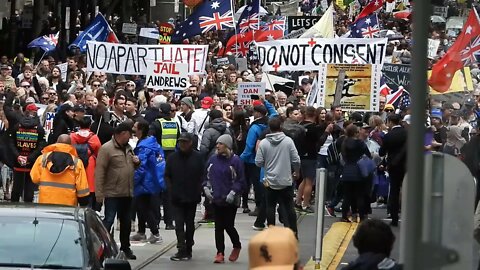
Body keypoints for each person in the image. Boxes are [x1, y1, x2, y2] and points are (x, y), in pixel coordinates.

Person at [95, 120, 139, 260]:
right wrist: (99, 194)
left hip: (127, 192)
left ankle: (125, 248)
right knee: (108, 221)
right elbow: (100, 171)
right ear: (122, 134)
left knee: (126, 222)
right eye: (129, 134)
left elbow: (130, 167)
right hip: (112, 192)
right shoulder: (106, 149)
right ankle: (102, 249)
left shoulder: (129, 148)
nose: (131, 137)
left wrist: (137, 163)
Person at [255, 117, 300, 236]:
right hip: (286, 179)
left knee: (270, 206)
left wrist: (267, 163)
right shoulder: (288, 141)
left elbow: (258, 162)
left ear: (269, 127)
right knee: (289, 206)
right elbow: (296, 159)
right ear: (281, 126)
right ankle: (293, 231)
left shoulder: (264, 143)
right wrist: (296, 171)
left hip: (270, 180)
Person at [204, 134, 245, 263]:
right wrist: (206, 187)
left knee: (228, 225)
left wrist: (233, 192)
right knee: (218, 226)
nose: (218, 146)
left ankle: (236, 245)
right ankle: (219, 252)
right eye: (217, 143)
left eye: (220, 144)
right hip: (216, 197)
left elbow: (241, 180)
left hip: (230, 199)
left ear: (227, 145)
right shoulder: (212, 160)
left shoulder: (235, 161)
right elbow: (206, 176)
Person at [165, 133, 205, 261]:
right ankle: (181, 248)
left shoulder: (198, 157)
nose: (182, 144)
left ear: (190, 143)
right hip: (177, 196)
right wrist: (170, 189)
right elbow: (167, 175)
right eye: (180, 142)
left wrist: (200, 189)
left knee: (190, 223)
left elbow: (202, 175)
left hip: (192, 196)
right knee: (179, 224)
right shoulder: (172, 158)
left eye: (185, 142)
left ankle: (189, 246)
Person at [240, 98, 278, 230]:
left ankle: (259, 208)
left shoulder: (255, 127)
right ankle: (261, 212)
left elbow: (249, 146)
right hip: (270, 160)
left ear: (257, 113)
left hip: (254, 161)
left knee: (257, 186)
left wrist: (240, 159)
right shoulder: (271, 122)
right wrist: (266, 102)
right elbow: (274, 112)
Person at [30, 134, 90, 206]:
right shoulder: (77, 163)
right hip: (68, 206)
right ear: (71, 145)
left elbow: (34, 178)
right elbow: (82, 190)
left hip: (45, 204)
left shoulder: (43, 159)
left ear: (56, 143)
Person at [129, 120, 163, 244]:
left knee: (144, 207)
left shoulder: (144, 147)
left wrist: (134, 180)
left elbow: (140, 166)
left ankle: (155, 233)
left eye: (134, 126)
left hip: (145, 181)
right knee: (140, 206)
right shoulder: (151, 143)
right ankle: (141, 232)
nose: (132, 128)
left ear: (140, 130)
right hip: (150, 179)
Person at [7, 103, 45, 202]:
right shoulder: (39, 129)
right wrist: (29, 158)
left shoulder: (16, 126)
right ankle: (28, 210)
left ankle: (13, 210)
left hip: (18, 163)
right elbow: (41, 146)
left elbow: (11, 143)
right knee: (29, 189)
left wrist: (18, 156)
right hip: (31, 164)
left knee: (16, 189)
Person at [339, 124, 372, 223]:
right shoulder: (360, 143)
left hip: (347, 170)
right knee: (360, 195)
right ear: (355, 133)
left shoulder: (344, 143)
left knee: (347, 196)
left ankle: (344, 216)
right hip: (358, 171)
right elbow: (368, 155)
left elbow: (343, 157)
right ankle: (361, 216)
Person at [379, 114, 407, 227]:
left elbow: (382, 152)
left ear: (390, 122)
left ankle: (394, 217)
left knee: (394, 191)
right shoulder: (408, 133)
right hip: (408, 165)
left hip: (394, 166)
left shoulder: (389, 136)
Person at [70, 116, 101, 208]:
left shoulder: (72, 136)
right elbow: (99, 153)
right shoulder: (94, 137)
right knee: (89, 191)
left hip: (74, 164)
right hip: (90, 166)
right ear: (90, 125)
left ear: (79, 125)